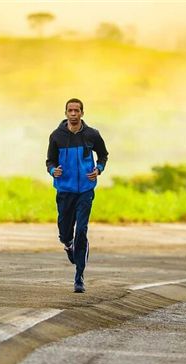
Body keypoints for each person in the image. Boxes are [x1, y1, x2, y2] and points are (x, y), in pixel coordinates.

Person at [45, 98, 109, 293]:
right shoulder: (56, 136)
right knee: (65, 232)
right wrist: (53, 170)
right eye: (70, 111)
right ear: (65, 113)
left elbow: (103, 155)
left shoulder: (92, 134)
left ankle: (79, 276)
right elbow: (49, 161)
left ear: (82, 113)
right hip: (65, 190)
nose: (73, 114)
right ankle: (68, 244)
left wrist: (98, 169)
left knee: (81, 230)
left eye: (76, 111)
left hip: (85, 191)